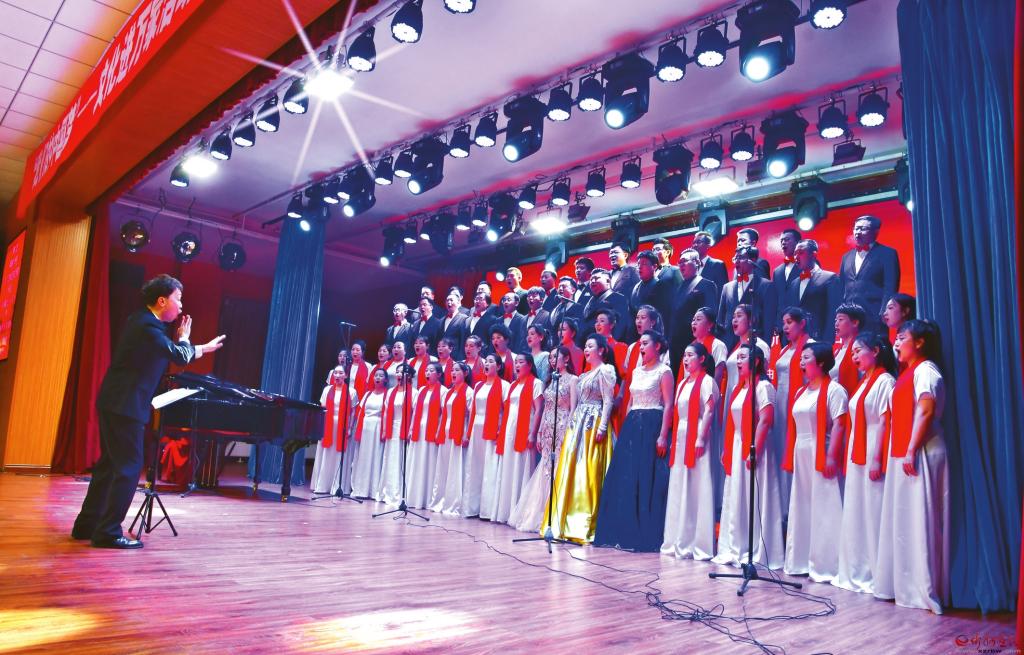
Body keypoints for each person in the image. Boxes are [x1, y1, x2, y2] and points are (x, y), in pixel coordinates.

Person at [73, 275, 225, 549]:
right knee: (129, 468)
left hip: (116, 402)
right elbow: (178, 354)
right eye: (178, 299)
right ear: (162, 300)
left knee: (109, 466)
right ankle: (107, 532)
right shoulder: (148, 326)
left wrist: (202, 348)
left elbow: (174, 352)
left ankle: (86, 525)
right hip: (126, 405)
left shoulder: (142, 322)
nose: (181, 306)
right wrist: (186, 339)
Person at [874, 320, 949, 613]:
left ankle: (922, 588)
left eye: (902, 338)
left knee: (921, 520)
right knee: (906, 520)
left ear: (919, 342)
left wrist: (911, 449)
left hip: (922, 451)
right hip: (906, 452)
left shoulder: (925, 371)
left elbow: (926, 410)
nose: (896, 343)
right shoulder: (908, 373)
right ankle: (904, 585)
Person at [594, 331, 674, 551]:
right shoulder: (637, 371)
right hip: (633, 425)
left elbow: (669, 404)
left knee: (646, 478)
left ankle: (644, 533)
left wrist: (663, 435)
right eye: (640, 344)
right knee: (626, 477)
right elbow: (630, 402)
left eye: (646, 343)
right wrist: (626, 427)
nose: (642, 347)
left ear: (658, 346)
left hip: (652, 424)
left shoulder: (664, 371)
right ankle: (623, 530)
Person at [833, 332, 897, 595]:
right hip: (857, 449)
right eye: (852, 353)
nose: (854, 356)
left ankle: (877, 571)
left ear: (876, 350)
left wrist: (877, 458)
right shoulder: (863, 382)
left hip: (872, 448)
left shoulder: (885, 381)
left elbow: (884, 420)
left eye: (858, 351)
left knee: (874, 509)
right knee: (858, 508)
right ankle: (858, 567)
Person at [782, 342, 849, 582]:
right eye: (800, 358)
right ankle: (801, 560)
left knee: (824, 504)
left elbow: (839, 423)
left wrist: (831, 455)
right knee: (802, 504)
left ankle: (828, 563)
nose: (801, 362)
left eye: (806, 358)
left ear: (821, 362)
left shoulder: (835, 390)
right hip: (801, 452)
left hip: (820, 450)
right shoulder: (801, 392)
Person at [713, 344, 784, 569]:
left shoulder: (763, 387)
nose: (738, 361)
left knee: (754, 495)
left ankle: (755, 549)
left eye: (743, 357)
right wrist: (727, 448)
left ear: (756, 361)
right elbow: (733, 422)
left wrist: (755, 450)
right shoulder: (738, 388)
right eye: (738, 357)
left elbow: (766, 420)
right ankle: (735, 545)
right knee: (736, 495)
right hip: (737, 445)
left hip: (755, 447)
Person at [544, 334, 618, 544]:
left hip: (593, 422)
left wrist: (602, 426)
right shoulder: (585, 374)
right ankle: (563, 521)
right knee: (572, 469)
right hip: (578, 422)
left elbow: (608, 400)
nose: (586, 350)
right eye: (585, 346)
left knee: (588, 469)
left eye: (590, 346)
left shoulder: (605, 370)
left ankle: (584, 522)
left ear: (601, 350)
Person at [509, 347, 579, 533]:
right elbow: (545, 408)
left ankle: (556, 511)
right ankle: (540, 511)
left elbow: (573, 408)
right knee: (546, 467)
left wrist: (569, 430)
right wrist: (539, 431)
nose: (552, 360)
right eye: (551, 357)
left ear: (566, 358)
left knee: (558, 466)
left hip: (562, 425)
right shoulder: (550, 380)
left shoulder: (573, 379)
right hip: (547, 426)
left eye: (556, 356)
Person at [662, 342, 720, 560]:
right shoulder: (682, 384)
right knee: (680, 485)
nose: (685, 360)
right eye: (684, 356)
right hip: (681, 436)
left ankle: (698, 543)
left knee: (697, 486)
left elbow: (710, 411)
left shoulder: (707, 381)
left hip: (697, 435)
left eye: (690, 355)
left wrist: (701, 438)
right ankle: (677, 538)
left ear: (702, 359)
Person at [771, 307, 814, 513]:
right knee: (780, 448)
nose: (785, 327)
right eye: (783, 323)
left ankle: (795, 507)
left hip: (798, 402)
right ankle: (781, 505)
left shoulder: (811, 346)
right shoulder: (783, 349)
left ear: (802, 323)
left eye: (789, 322)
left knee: (795, 447)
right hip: (780, 403)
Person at [492, 353, 545, 524]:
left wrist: (533, 433)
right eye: (516, 362)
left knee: (521, 467)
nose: (517, 365)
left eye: (521, 362)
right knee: (508, 468)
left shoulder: (536, 383)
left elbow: (539, 409)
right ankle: (505, 511)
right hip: (509, 431)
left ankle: (520, 511)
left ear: (529, 365)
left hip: (524, 430)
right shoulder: (512, 385)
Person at [839, 215, 901, 332]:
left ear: (875, 232)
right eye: (856, 228)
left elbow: (891, 286)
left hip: (874, 315)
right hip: (850, 318)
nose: (858, 232)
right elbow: (841, 286)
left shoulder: (887, 253)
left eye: (863, 229)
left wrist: (884, 312)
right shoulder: (846, 257)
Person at [467, 353, 510, 520]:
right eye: (486, 361)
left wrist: (500, 429)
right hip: (476, 428)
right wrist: (468, 432)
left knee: (489, 466)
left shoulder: (504, 386)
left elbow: (506, 411)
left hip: (492, 428)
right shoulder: (478, 385)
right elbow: (472, 411)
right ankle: (472, 507)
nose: (487, 364)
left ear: (498, 366)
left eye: (491, 362)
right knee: (475, 466)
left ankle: (487, 509)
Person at [431, 361, 473, 515]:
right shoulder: (448, 392)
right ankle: (441, 500)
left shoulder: (469, 392)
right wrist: (438, 431)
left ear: (465, 373)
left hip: (458, 432)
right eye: (452, 371)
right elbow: (443, 414)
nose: (453, 373)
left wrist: (466, 434)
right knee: (443, 467)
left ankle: (454, 502)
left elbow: (470, 415)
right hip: (445, 432)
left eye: (457, 370)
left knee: (455, 467)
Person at [667, 248, 718, 376]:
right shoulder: (679, 287)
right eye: (679, 262)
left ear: (697, 262)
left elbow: (710, 315)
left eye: (684, 261)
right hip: (675, 345)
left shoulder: (707, 285)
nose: (681, 265)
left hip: (694, 344)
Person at [310, 366, 359, 496]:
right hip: (328, 425)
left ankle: (338, 486)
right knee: (326, 453)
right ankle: (323, 485)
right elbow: (322, 409)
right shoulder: (327, 390)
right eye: (335, 373)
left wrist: (350, 428)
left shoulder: (351, 391)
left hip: (342, 426)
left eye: (340, 373)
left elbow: (353, 413)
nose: (337, 375)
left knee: (339, 454)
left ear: (346, 375)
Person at [716, 246, 777, 351]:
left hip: (754, 345)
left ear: (752, 260)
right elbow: (720, 319)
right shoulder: (727, 287)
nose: (737, 261)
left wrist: (764, 349)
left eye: (740, 257)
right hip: (728, 345)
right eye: (735, 258)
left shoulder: (766, 286)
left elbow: (768, 322)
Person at [405, 362, 447, 509]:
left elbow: (444, 414)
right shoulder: (421, 390)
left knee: (429, 463)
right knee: (416, 462)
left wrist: (439, 431)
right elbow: (416, 411)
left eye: (431, 371)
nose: (428, 373)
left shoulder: (443, 391)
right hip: (419, 429)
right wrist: (411, 428)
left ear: (439, 374)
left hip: (431, 430)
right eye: (426, 370)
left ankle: (427, 497)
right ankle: (413, 497)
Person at [783, 239, 841, 343]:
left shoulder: (830, 278)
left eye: (800, 252)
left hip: (819, 340)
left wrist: (827, 342)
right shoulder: (794, 283)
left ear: (814, 255)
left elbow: (833, 313)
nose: (796, 257)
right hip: (796, 340)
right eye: (795, 253)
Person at [375, 364, 413, 506]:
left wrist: (410, 430)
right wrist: (385, 429)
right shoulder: (391, 392)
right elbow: (386, 412)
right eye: (397, 372)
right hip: (392, 428)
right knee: (389, 459)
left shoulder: (413, 392)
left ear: (409, 376)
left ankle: (399, 493)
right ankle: (387, 491)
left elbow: (414, 413)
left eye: (402, 372)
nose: (398, 375)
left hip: (404, 428)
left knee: (400, 460)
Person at [349, 367, 389, 499]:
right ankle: (360, 488)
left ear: (385, 379)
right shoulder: (367, 394)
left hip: (377, 427)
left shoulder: (387, 395)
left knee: (375, 456)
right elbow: (361, 412)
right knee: (363, 457)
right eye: (376, 375)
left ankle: (373, 490)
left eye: (381, 376)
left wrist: (384, 430)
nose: (377, 377)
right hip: (365, 427)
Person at [582, 268, 632, 344]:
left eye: (596, 278)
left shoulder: (619, 299)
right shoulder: (589, 301)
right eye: (591, 279)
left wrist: (610, 345)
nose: (592, 281)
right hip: (589, 344)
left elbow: (621, 326)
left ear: (608, 281)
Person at [771, 228, 802, 337]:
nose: (783, 243)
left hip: (801, 323)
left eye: (787, 239)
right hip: (782, 326)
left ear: (797, 242)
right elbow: (775, 299)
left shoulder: (807, 265)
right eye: (781, 241)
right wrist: (776, 322)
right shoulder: (777, 271)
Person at [831, 303, 866, 395]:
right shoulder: (835, 350)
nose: (836, 323)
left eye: (840, 319)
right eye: (836, 320)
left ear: (855, 323)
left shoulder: (862, 349)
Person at [688, 307, 727, 388]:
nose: (694, 322)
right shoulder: (690, 347)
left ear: (710, 324)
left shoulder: (718, 345)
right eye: (693, 320)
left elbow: (718, 377)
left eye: (698, 319)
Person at [631, 251, 671, 321]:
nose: (639, 267)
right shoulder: (636, 287)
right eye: (638, 264)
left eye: (644, 264)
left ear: (654, 266)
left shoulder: (661, 287)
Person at [691, 231, 728, 299]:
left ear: (708, 245)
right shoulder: (690, 267)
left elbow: (722, 292)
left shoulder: (718, 265)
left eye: (698, 242)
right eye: (693, 243)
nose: (695, 245)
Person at [440, 293, 469, 359]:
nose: (449, 302)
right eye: (447, 300)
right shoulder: (441, 320)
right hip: (442, 356)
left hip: (455, 357)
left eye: (451, 300)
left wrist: (460, 357)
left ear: (458, 302)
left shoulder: (464, 319)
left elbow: (463, 340)